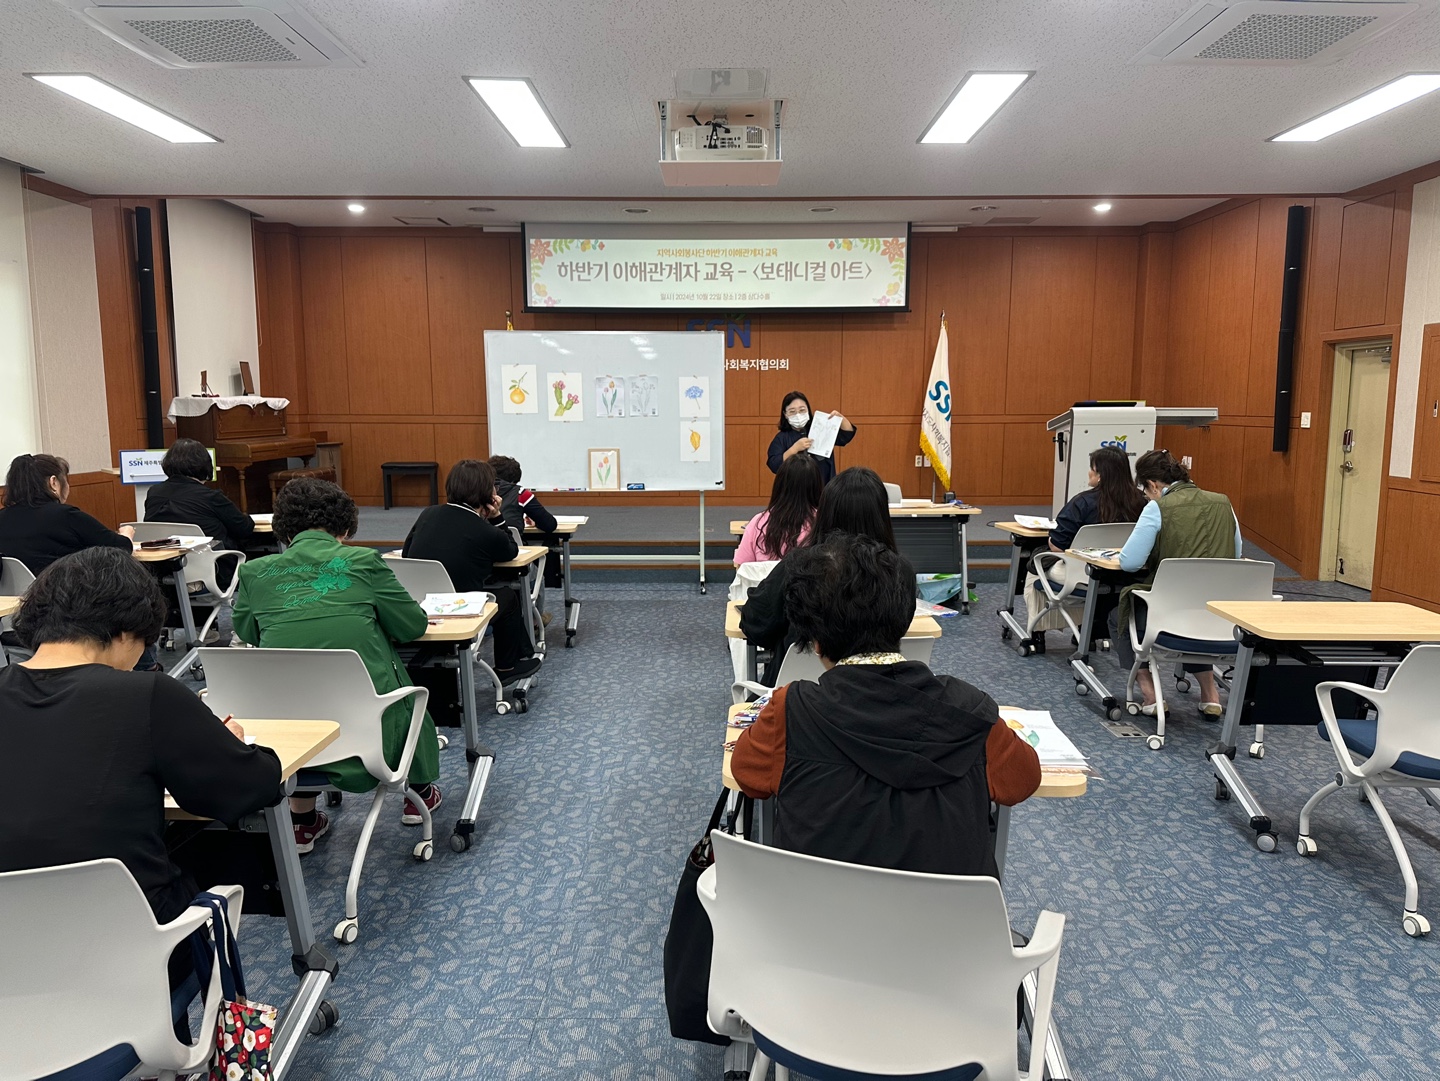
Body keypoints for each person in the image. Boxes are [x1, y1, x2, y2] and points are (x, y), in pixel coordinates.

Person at [0, 547, 282, 926]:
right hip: (133, 935)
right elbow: (250, 787)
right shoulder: (147, 694)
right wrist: (229, 743)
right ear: (127, 630)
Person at [731, 535, 1040, 876]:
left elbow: (747, 776)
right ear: (904, 620)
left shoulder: (791, 712)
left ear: (815, 642)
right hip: (944, 911)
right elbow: (1023, 780)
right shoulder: (970, 712)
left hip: (820, 908)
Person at [233, 478, 442, 853]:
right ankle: (418, 794)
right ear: (344, 528)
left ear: (285, 529)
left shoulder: (253, 572)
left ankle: (302, 821)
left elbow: (249, 631)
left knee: (296, 686)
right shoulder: (363, 562)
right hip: (368, 731)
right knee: (400, 690)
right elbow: (411, 626)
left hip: (287, 734)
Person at [1109, 450, 1243, 716]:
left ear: (1153, 485)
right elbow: (1236, 555)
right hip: (1218, 616)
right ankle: (1210, 695)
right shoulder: (1223, 503)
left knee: (1119, 617)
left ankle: (1150, 694)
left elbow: (1130, 562)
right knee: (1197, 613)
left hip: (1171, 616)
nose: (1146, 496)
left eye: (1145, 491)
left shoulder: (1157, 508)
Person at [740, 465, 895, 685]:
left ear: (826, 513)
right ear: (882, 515)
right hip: (884, 692)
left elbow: (755, 624)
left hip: (799, 691)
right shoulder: (900, 573)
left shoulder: (800, 566)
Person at [402, 459, 543, 683]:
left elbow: (406, 554)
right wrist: (497, 517)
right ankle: (507, 667)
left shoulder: (428, 514)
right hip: (461, 607)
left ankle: (523, 653)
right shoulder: (484, 531)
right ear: (488, 493)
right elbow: (510, 551)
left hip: (420, 604)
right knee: (508, 596)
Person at [1022, 446, 1146, 631]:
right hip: (1123, 574)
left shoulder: (1082, 502)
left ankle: (1037, 629)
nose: (1089, 472)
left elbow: (1057, 546)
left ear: (1101, 474)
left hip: (1081, 574)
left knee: (1036, 567)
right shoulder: (1142, 502)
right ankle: (1086, 627)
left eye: (1092, 468)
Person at [0, 453, 134, 574]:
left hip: (15, 593)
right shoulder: (65, 515)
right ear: (53, 482)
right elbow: (120, 548)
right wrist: (126, 533)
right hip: (63, 592)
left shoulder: (2, 517)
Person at [144, 437, 255, 554]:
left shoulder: (153, 493)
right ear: (204, 465)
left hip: (167, 562)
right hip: (215, 562)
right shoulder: (211, 497)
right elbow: (244, 528)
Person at [733, 453, 822, 565]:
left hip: (764, 577)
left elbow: (743, 567)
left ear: (779, 485)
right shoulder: (823, 524)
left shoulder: (758, 522)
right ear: (817, 486)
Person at [489, 454, 562, 588]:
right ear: (514, 480)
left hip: (481, 559)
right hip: (512, 558)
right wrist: (536, 522)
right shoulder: (520, 493)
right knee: (537, 576)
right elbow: (550, 524)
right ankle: (533, 601)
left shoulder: (475, 492)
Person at [765, 391, 856, 486]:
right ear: (785, 414)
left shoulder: (821, 429)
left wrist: (840, 418)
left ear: (808, 410)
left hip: (823, 485)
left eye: (802, 410)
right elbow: (774, 465)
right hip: (795, 489)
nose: (798, 415)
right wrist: (794, 449)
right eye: (792, 412)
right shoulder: (781, 438)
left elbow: (846, 435)